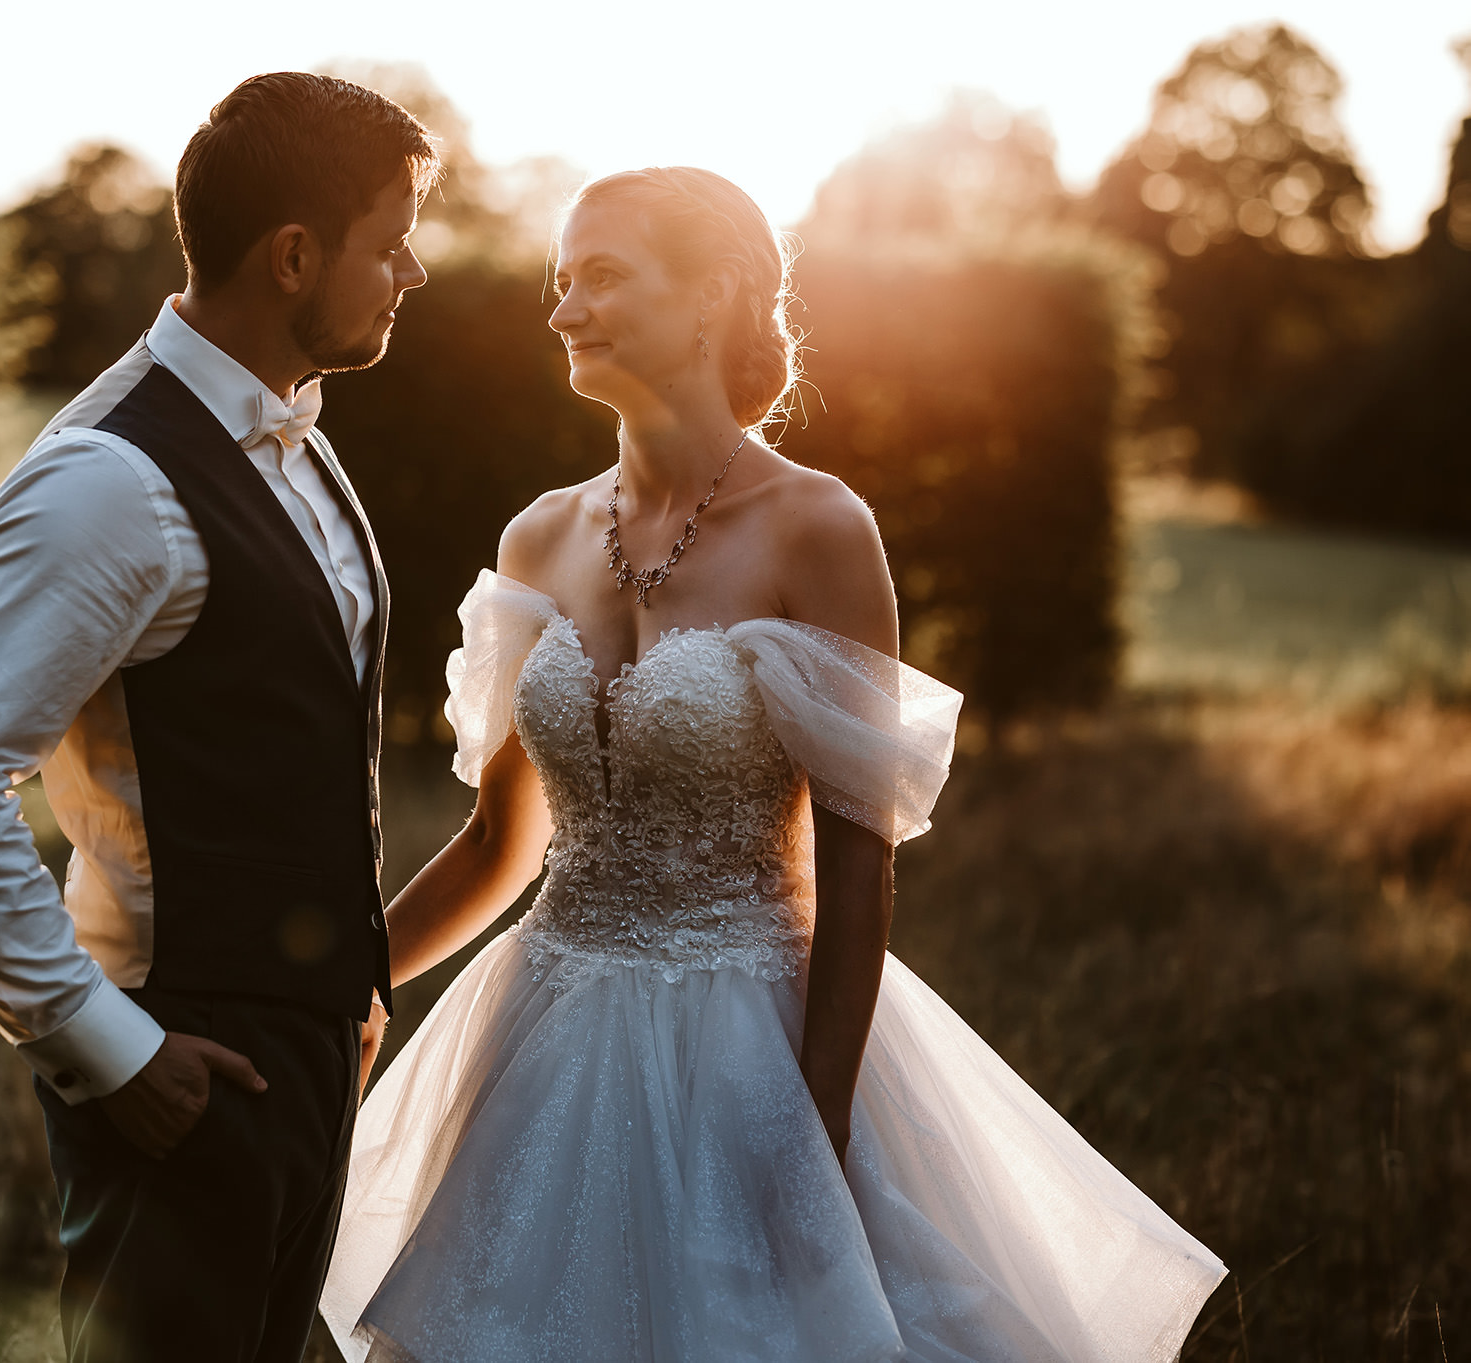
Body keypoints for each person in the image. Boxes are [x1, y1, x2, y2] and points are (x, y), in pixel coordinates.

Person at [319, 167, 1226, 1361]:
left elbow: (859, 872)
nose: (562, 309)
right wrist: (342, 988)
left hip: (748, 1042)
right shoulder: (535, 535)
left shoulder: (818, 529)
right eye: (558, 280)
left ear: (710, 297)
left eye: (601, 277)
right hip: (546, 1035)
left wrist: (814, 1129)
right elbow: (500, 843)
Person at [0, 73, 440, 1363]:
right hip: (182, 1065)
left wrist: (344, 997)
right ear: (292, 256)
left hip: (304, 1064)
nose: (410, 270)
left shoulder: (295, 434)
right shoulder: (109, 483)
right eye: (389, 236)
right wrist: (109, 1053)